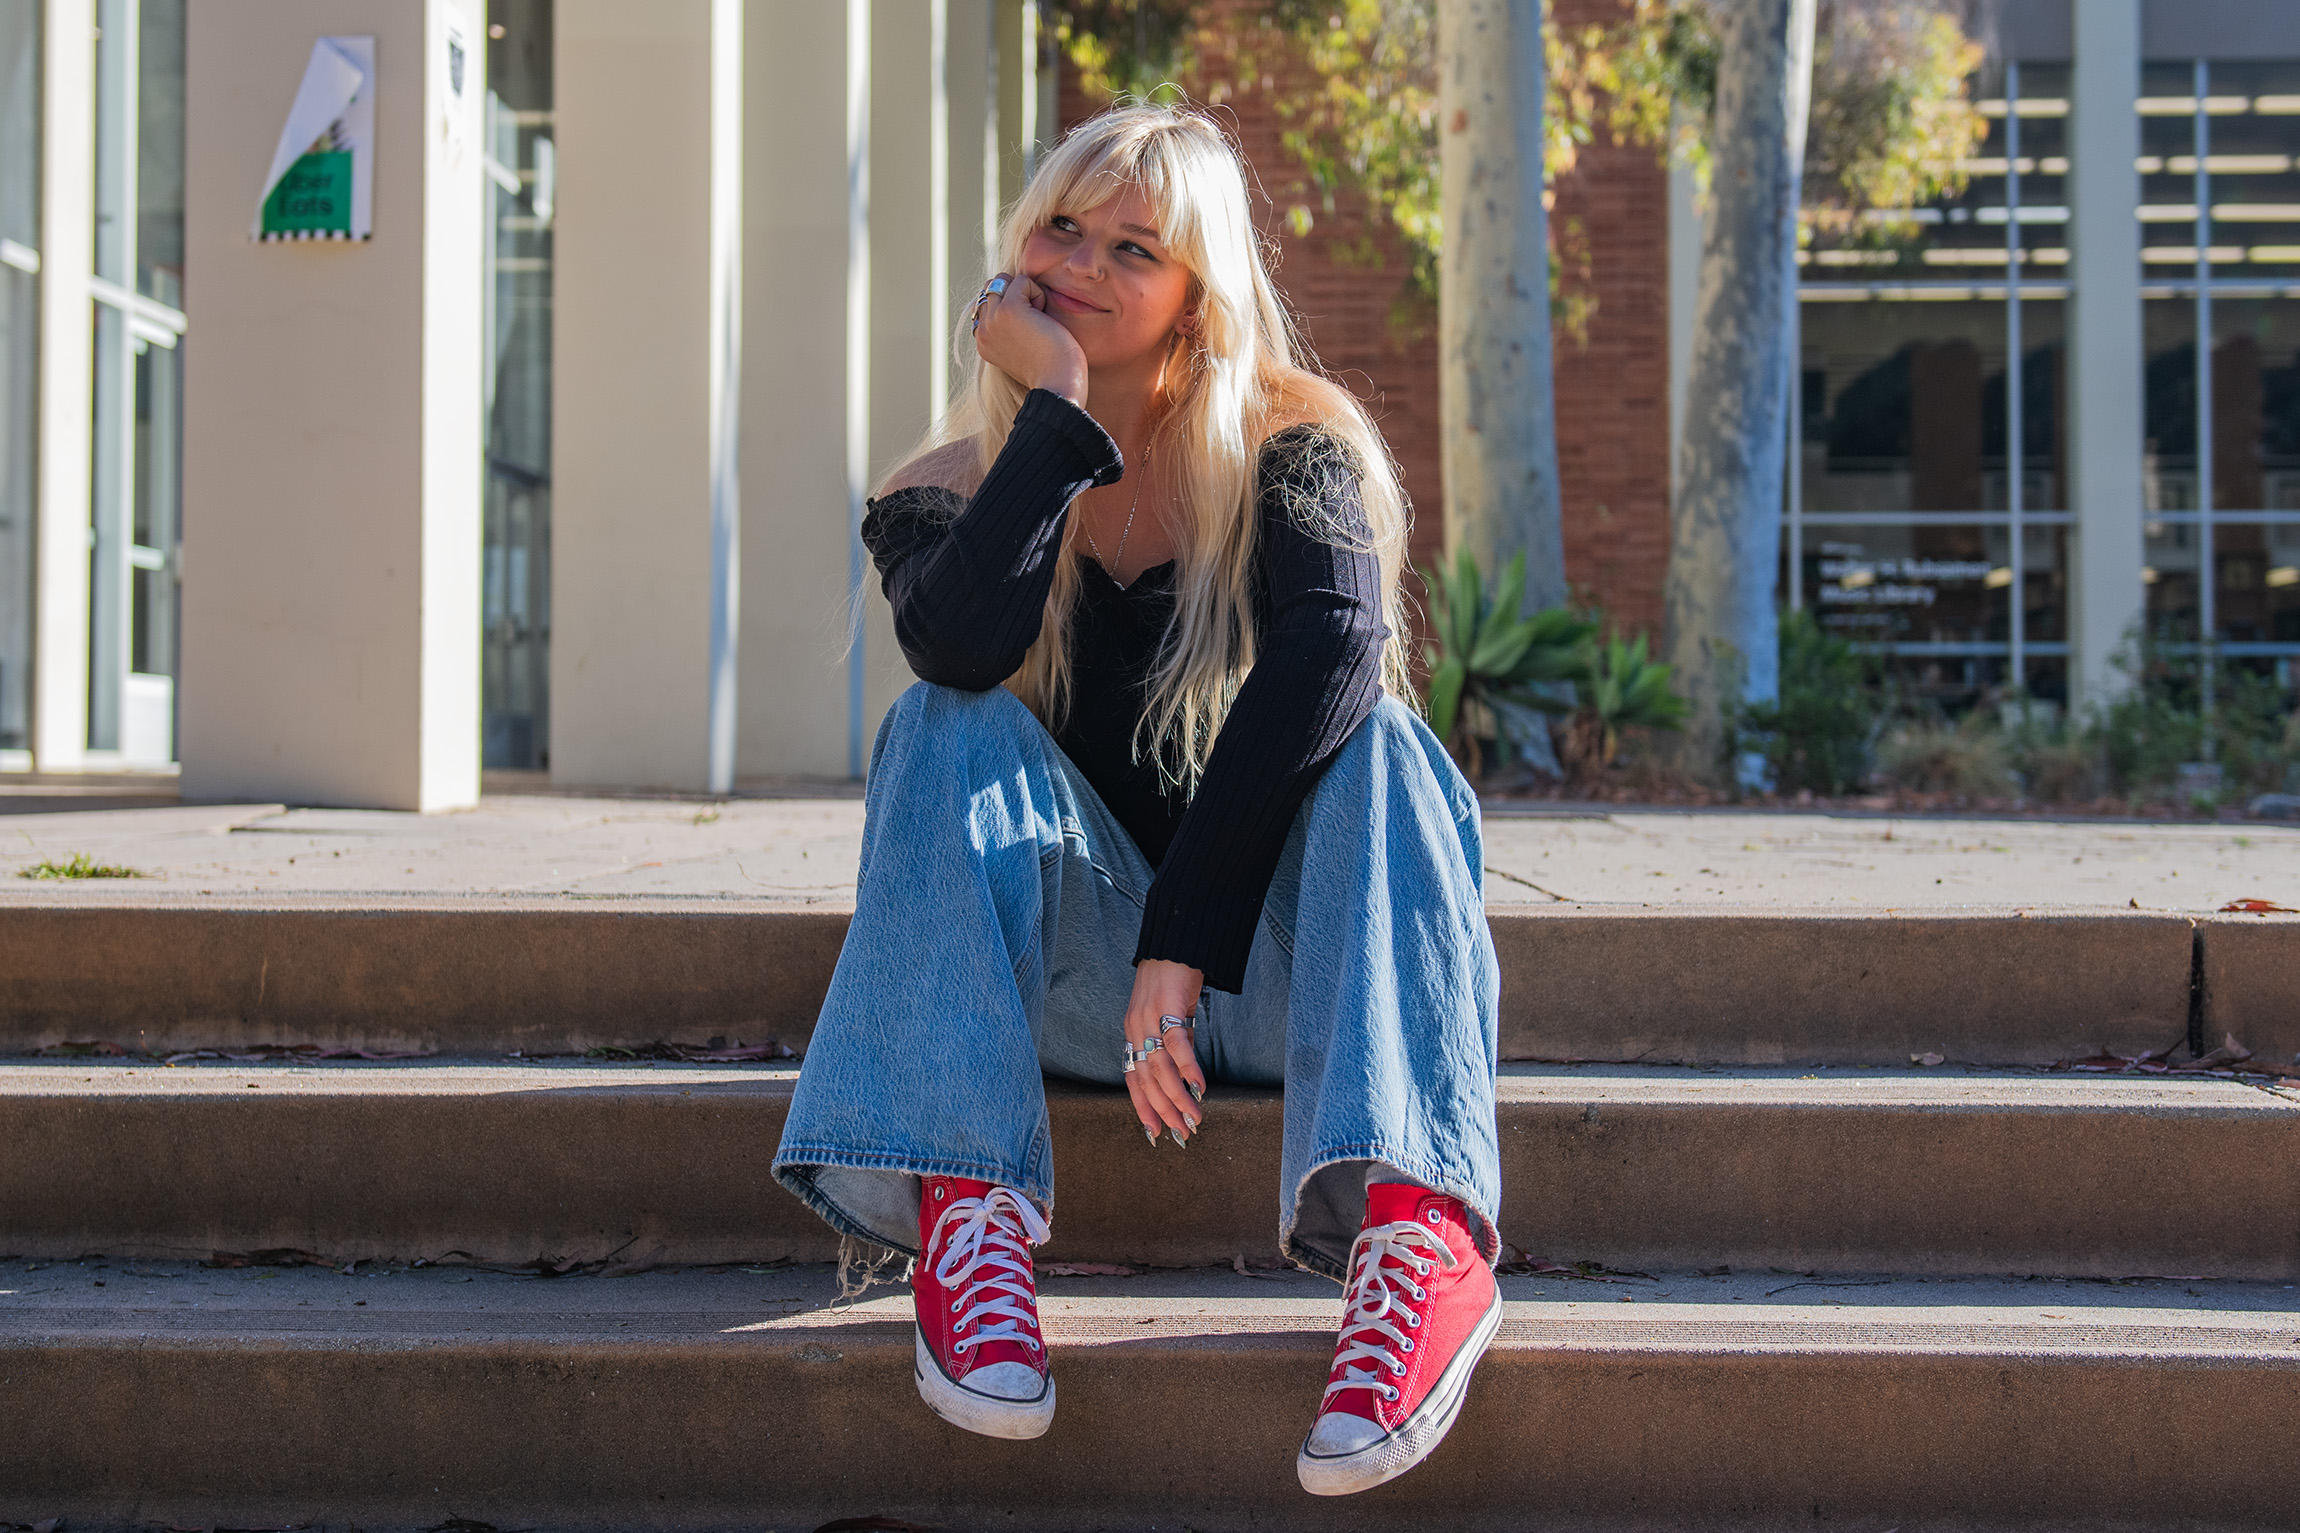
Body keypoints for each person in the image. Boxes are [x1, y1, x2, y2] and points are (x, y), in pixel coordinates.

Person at [772, 102, 1501, 1498]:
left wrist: (1186, 935)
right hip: (1082, 993)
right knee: (937, 724)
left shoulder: (1297, 444)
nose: (1080, 264)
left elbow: (1335, 650)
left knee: (1391, 744)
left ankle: (1424, 1236)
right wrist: (1052, 417)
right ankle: (966, 1217)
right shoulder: (948, 486)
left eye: (1133, 246)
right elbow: (964, 648)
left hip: (1299, 979)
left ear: (1196, 296)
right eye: (1060, 226)